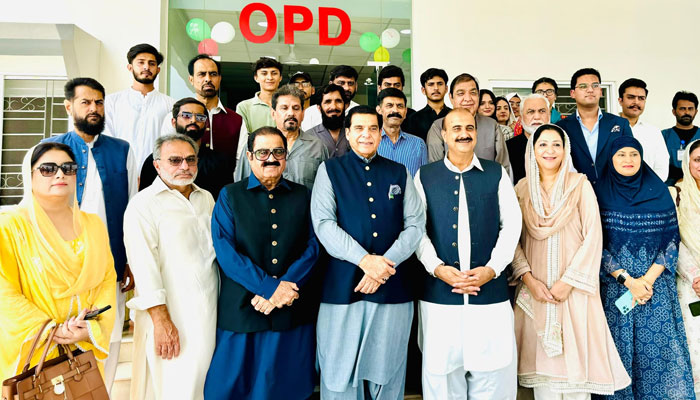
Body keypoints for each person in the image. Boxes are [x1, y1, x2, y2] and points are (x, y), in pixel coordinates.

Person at [311, 106, 425, 399]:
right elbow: (324, 225)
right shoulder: (330, 170)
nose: (366, 134)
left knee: (388, 372)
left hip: (393, 286)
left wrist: (384, 266)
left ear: (381, 133)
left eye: (373, 128)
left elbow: (415, 225)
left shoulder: (398, 171)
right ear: (347, 133)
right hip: (343, 287)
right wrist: (365, 261)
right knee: (339, 371)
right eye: (359, 128)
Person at [511, 124, 630, 399]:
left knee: (577, 381)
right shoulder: (522, 189)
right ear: (532, 149)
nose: (550, 151)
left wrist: (568, 282)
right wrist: (528, 279)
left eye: (556, 144)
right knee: (544, 382)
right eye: (543, 145)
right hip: (536, 291)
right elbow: (513, 239)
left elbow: (593, 237)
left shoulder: (580, 185)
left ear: (566, 150)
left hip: (575, 290)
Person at [204, 126, 320, 400]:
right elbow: (225, 250)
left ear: (286, 156)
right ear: (249, 156)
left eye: (278, 152)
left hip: (291, 307)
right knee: (230, 387)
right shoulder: (230, 194)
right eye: (263, 152)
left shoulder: (303, 195)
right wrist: (269, 289)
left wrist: (285, 287)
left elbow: (313, 246)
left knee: (287, 386)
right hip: (244, 307)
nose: (271, 158)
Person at [414, 108, 521, 399]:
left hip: (489, 293)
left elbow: (512, 225)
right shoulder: (424, 176)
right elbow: (416, 230)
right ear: (444, 135)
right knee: (442, 378)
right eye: (456, 128)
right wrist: (437, 267)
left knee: (495, 375)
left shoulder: (496, 173)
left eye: (469, 128)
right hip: (440, 295)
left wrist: (492, 269)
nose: (464, 133)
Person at [44, 77, 138, 392]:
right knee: (63, 337)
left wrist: (130, 261)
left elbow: (132, 208)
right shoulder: (50, 149)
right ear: (69, 106)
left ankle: (103, 395)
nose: (94, 108)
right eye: (86, 102)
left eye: (99, 102)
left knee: (107, 337)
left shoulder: (122, 150)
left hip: (109, 263)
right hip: (63, 265)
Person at [0, 142, 116, 380]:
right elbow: (4, 292)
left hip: (83, 351)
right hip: (36, 350)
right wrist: (52, 330)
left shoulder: (93, 225)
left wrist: (91, 329)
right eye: (48, 169)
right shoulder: (10, 226)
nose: (60, 174)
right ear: (29, 176)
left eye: (68, 167)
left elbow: (106, 279)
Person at [597, 136, 695, 399]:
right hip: (615, 292)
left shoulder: (659, 191)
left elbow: (672, 240)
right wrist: (629, 281)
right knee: (617, 357)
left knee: (660, 358)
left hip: (656, 292)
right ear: (610, 158)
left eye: (634, 154)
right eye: (621, 155)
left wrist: (646, 281)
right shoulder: (598, 192)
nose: (628, 160)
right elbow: (595, 243)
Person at [124, 134, 218, 400]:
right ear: (157, 165)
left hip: (210, 310)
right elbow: (143, 266)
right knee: (176, 385)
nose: (184, 166)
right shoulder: (143, 205)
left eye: (190, 160)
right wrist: (161, 319)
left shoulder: (206, 198)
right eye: (175, 160)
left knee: (204, 383)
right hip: (172, 314)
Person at [236, 85, 329, 189]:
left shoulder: (317, 147)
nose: (291, 113)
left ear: (303, 114)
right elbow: (241, 185)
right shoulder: (255, 144)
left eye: (296, 108)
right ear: (273, 113)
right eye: (284, 108)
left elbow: (324, 188)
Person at [140, 98, 235, 199]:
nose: (193, 120)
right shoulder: (157, 160)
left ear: (206, 124)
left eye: (200, 117)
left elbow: (226, 202)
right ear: (173, 122)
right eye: (186, 116)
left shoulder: (220, 161)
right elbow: (144, 199)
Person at [426, 73, 512, 180]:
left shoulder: (492, 126)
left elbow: (504, 167)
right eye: (461, 93)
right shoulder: (438, 127)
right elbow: (436, 168)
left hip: (488, 190)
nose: (468, 98)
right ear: (451, 98)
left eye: (473, 93)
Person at [556, 68, 633, 187]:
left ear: (601, 91)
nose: (590, 90)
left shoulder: (620, 124)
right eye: (583, 86)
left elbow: (630, 158)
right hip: (576, 193)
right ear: (572, 93)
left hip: (615, 193)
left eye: (595, 85)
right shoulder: (561, 127)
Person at [162, 55, 246, 158]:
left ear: (219, 79)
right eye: (201, 74)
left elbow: (241, 160)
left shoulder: (237, 120)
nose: (208, 79)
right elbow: (166, 154)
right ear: (191, 79)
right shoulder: (176, 116)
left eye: (213, 74)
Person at [105, 43, 175, 165]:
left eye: (151, 63)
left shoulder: (170, 105)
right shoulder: (112, 102)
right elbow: (107, 140)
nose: (146, 67)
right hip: (119, 169)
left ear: (158, 69)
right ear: (130, 67)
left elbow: (171, 143)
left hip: (157, 173)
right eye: (141, 62)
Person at [669, 139, 700, 398]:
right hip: (691, 284)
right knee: (694, 348)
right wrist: (695, 275)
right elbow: (673, 240)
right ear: (687, 162)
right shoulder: (675, 194)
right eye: (698, 160)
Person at [617, 78, 668, 181]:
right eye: (631, 97)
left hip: (647, 191)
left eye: (641, 98)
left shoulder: (653, 132)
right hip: (613, 191)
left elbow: (661, 166)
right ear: (620, 100)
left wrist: (649, 188)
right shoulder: (607, 128)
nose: (636, 102)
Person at [376, 88, 428, 176]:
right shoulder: (370, 142)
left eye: (400, 106)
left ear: (405, 112)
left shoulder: (419, 144)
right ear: (379, 110)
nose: (395, 110)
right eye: (389, 105)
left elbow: (425, 178)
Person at [508, 94, 551, 184]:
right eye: (530, 112)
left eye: (542, 111)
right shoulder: (508, 148)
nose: (537, 117)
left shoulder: (562, 144)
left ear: (549, 114)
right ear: (521, 116)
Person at [302, 65, 360, 132]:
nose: (346, 88)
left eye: (350, 83)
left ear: (356, 86)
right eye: (341, 83)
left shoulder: (360, 112)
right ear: (331, 84)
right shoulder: (311, 113)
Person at [662, 91, 700, 184]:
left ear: (696, 111)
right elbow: (658, 163)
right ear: (674, 111)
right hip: (670, 186)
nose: (687, 112)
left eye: (690, 109)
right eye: (682, 109)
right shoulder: (663, 136)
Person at [236, 57, 282, 133]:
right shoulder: (244, 107)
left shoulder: (289, 105)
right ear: (256, 78)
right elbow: (242, 137)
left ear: (280, 78)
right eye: (264, 73)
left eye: (274, 73)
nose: (270, 77)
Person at [403, 68, 450, 142]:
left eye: (440, 84)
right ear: (423, 90)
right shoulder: (413, 119)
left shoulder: (454, 116)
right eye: (431, 84)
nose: (436, 88)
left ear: (446, 89)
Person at [308, 84, 350, 158]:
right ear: (319, 108)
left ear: (345, 106)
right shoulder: (309, 137)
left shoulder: (355, 133)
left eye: (338, 101)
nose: (333, 106)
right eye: (327, 102)